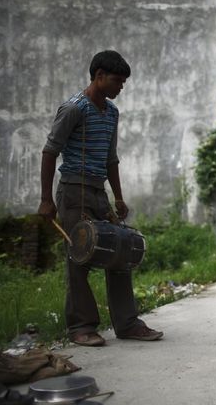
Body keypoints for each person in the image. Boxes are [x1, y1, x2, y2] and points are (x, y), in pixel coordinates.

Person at [38, 50, 163, 346]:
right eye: (117, 81)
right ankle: (81, 327)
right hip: (73, 191)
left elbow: (110, 159)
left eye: (123, 82)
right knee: (79, 258)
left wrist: (117, 197)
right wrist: (46, 199)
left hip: (98, 192)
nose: (121, 87)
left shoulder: (112, 112)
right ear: (99, 76)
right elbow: (49, 151)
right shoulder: (74, 108)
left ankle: (127, 323)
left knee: (120, 252)